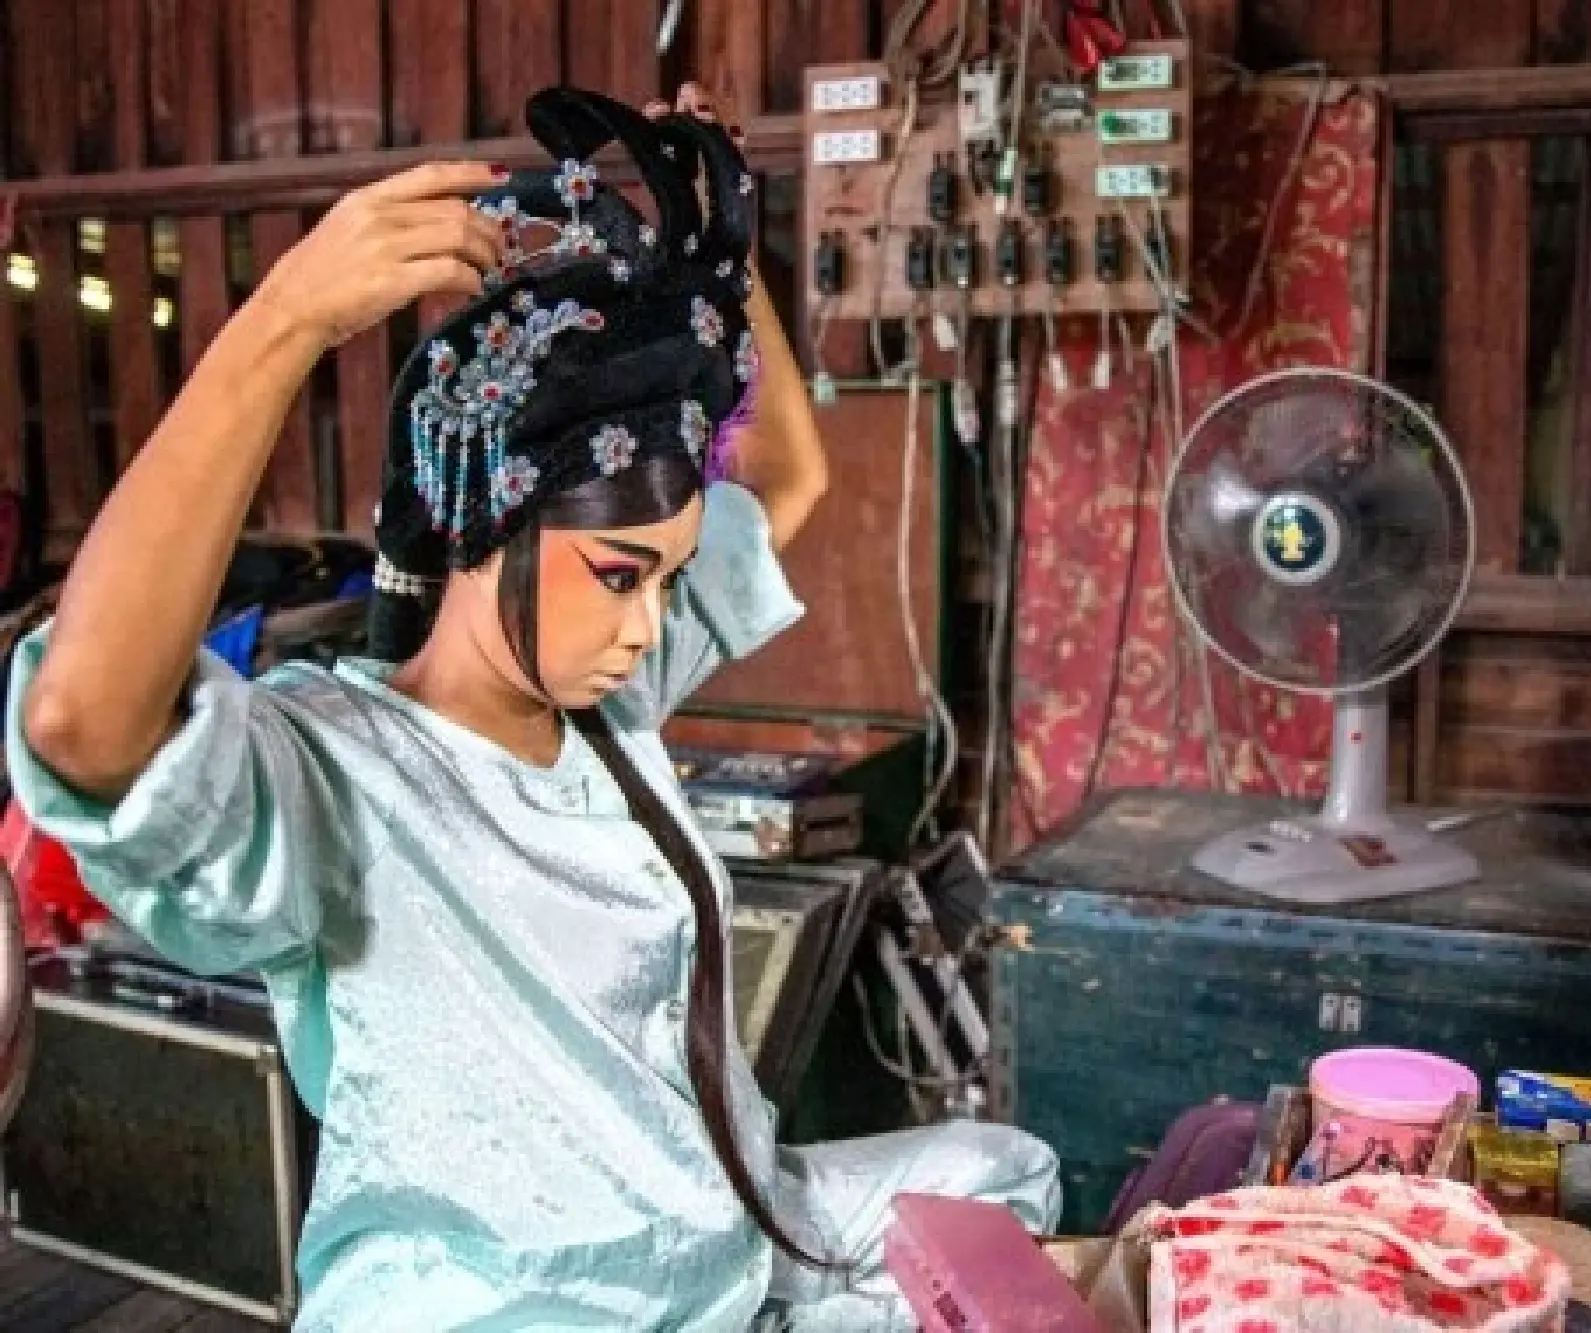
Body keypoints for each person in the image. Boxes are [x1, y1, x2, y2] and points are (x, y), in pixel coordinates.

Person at [6, 84, 1059, 1331]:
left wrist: (713, 262)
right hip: (500, 1307)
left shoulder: (603, 708)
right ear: (482, 526)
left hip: (711, 1244)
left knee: (1000, 1179)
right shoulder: (337, 775)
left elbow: (786, 470)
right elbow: (83, 724)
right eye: (620, 575)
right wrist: (283, 322)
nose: (648, 626)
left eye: (666, 578)